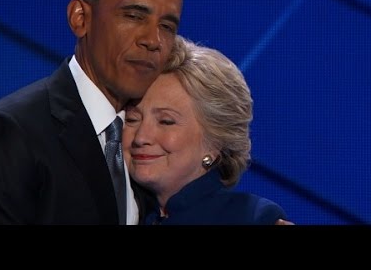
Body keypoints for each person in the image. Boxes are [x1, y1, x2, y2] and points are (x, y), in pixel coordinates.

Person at [0, 0, 183, 224]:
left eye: (167, 26)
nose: (153, 40)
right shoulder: (7, 134)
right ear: (80, 18)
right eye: (134, 16)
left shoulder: (151, 148)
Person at [123, 35, 289, 225]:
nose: (141, 137)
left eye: (166, 121)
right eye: (132, 119)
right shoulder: (106, 206)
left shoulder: (251, 218)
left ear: (214, 142)